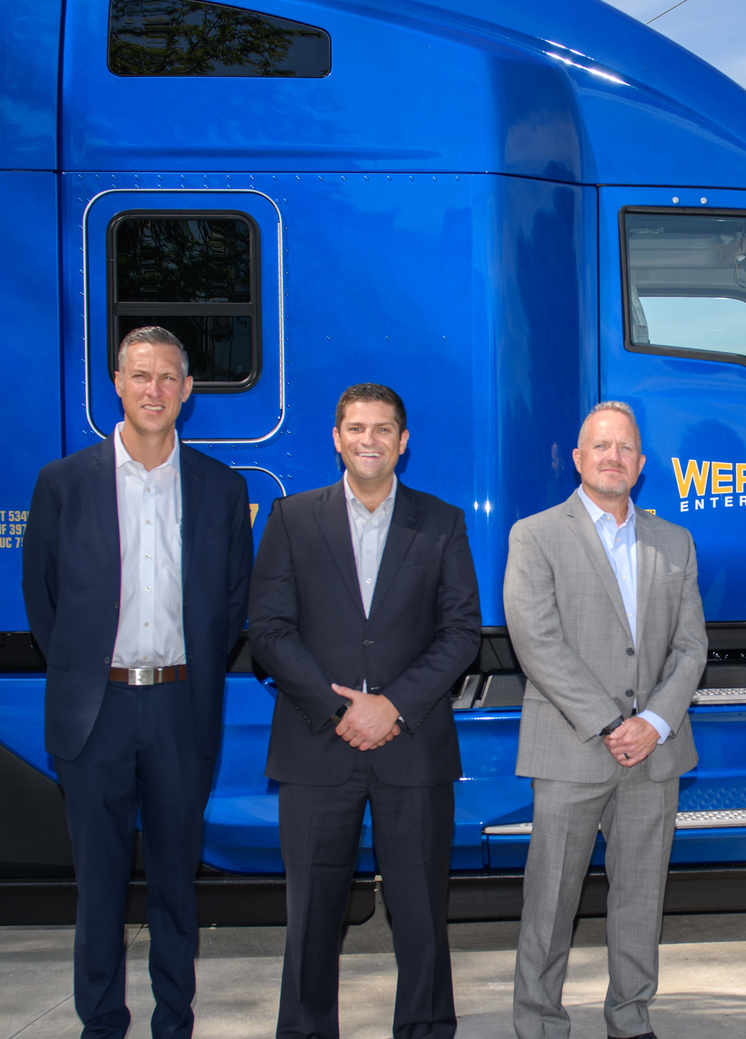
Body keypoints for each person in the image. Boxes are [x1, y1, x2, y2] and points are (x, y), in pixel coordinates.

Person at [22, 325, 254, 1039]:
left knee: (176, 888)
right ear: (117, 384)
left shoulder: (222, 488)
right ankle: (102, 1025)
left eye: (168, 377)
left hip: (182, 708)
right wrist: (89, 672)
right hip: (96, 713)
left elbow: (232, 604)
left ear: (188, 390)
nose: (155, 390)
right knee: (98, 890)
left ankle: (173, 1023)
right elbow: (44, 599)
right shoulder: (64, 484)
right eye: (141, 376)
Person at [248, 383, 482, 1039]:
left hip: (413, 747)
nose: (369, 440)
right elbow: (268, 630)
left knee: (421, 914)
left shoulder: (442, 522)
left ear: (403, 442)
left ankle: (426, 1028)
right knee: (311, 916)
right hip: (316, 746)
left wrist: (394, 707)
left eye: (383, 429)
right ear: (336, 438)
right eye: (356, 428)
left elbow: (461, 632)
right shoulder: (292, 518)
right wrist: (337, 708)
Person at [505, 400, 707, 1039]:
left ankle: (631, 1017)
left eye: (624, 448)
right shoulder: (535, 534)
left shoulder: (674, 542)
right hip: (571, 746)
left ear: (641, 464)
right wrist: (610, 722)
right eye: (600, 446)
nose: (612, 457)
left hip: (654, 751)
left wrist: (655, 722)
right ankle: (540, 1023)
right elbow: (535, 640)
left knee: (642, 897)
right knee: (550, 900)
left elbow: (691, 647)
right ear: (578, 458)